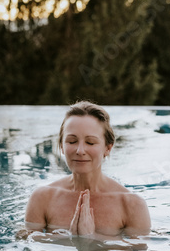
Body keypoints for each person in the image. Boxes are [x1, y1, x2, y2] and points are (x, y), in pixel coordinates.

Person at [25, 101, 151, 239]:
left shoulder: (131, 205)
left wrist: (89, 239)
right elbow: (28, 248)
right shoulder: (42, 199)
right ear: (61, 146)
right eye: (72, 141)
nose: (80, 150)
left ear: (108, 148)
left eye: (90, 142)